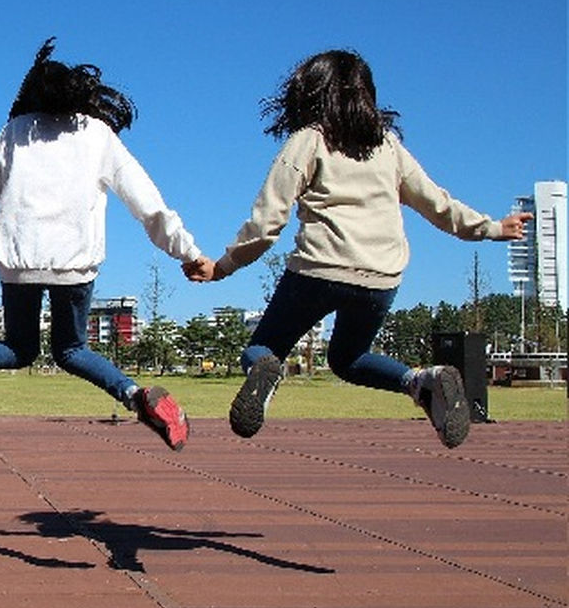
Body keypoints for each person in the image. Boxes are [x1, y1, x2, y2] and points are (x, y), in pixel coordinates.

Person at [184, 49, 530, 449]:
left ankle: (266, 370)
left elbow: (266, 224)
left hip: (318, 270)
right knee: (348, 359)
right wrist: (491, 227)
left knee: (263, 348)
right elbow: (438, 205)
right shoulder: (388, 147)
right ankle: (423, 382)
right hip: (380, 278)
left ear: (309, 93)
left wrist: (223, 267)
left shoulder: (308, 141)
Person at [0, 38, 206, 451]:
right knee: (71, 348)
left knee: (18, 345)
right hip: (74, 267)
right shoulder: (98, 135)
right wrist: (188, 252)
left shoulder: (14, 132)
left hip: (18, 263)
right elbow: (147, 204)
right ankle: (136, 396)